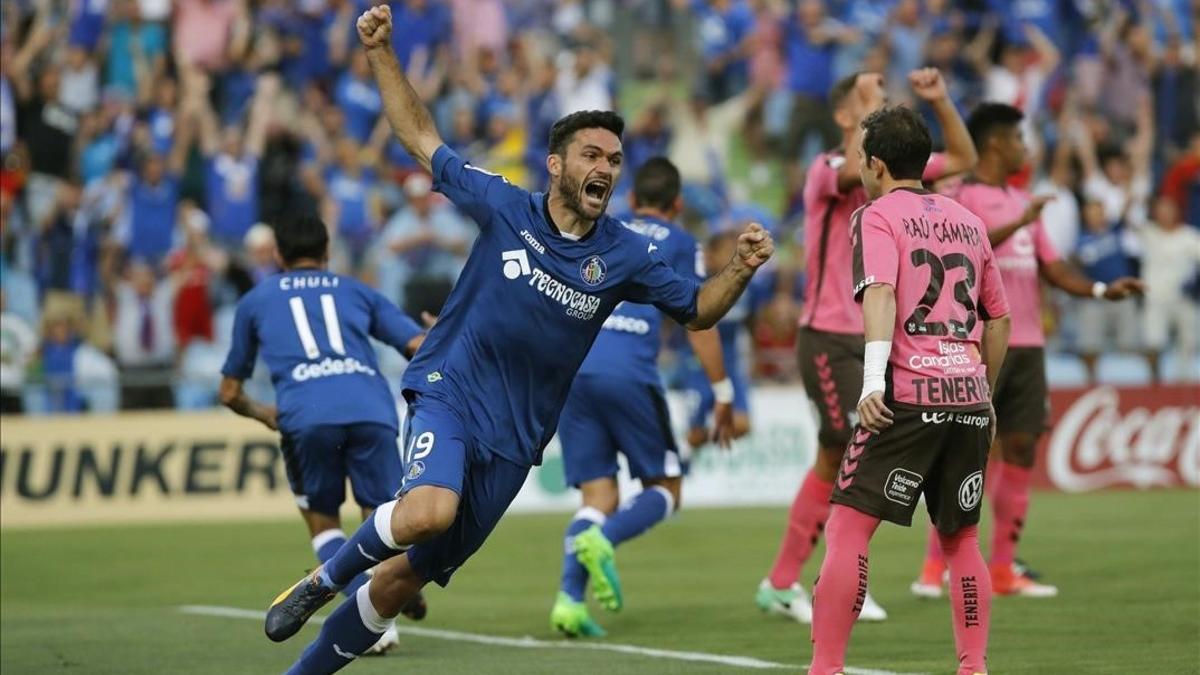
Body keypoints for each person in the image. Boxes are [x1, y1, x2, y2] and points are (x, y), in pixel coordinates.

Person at [262, 6, 773, 673]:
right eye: (592, 154)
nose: (607, 168)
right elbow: (421, 137)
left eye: (615, 160)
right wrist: (382, 51)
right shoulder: (506, 207)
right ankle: (323, 579)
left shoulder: (625, 254)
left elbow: (699, 311)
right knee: (428, 510)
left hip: (516, 439)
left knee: (398, 582)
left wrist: (739, 267)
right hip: (450, 391)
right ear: (557, 163)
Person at [757, 67, 977, 624]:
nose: (877, 111)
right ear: (844, 115)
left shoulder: (891, 178)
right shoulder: (826, 169)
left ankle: (788, 580)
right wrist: (873, 106)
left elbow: (966, 161)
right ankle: (806, 579)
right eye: (866, 104)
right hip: (830, 335)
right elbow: (859, 162)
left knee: (842, 457)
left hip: (880, 337)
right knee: (847, 450)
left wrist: (942, 102)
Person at [808, 104, 1012, 675]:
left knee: (849, 526)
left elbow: (881, 293)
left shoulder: (875, 215)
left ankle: (825, 668)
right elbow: (999, 319)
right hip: (967, 396)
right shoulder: (968, 220)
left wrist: (872, 381)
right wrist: (985, 396)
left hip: (907, 394)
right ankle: (974, 668)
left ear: (874, 163)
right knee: (962, 539)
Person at [911, 103, 1144, 599]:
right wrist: (1020, 220)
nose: (1026, 148)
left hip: (1030, 344)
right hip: (975, 340)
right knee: (965, 452)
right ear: (996, 143)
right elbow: (966, 252)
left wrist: (1104, 291)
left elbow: (1053, 269)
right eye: (1019, 139)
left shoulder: (1021, 200)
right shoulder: (960, 197)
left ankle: (1001, 569)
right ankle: (934, 568)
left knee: (1019, 449)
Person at [219, 213, 429, 656]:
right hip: (371, 410)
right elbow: (416, 345)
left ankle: (369, 616)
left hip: (306, 414)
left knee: (322, 521)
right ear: (328, 252)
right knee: (386, 522)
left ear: (277, 255)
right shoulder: (356, 290)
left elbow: (229, 391)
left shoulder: (256, 300)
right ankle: (395, 589)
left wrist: (264, 414)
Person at [550, 157, 734, 638]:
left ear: (631, 200)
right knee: (666, 488)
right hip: (628, 372)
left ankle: (569, 601)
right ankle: (603, 540)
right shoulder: (678, 241)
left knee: (598, 495)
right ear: (676, 205)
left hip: (573, 369)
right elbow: (699, 318)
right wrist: (722, 391)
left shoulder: (601, 227)